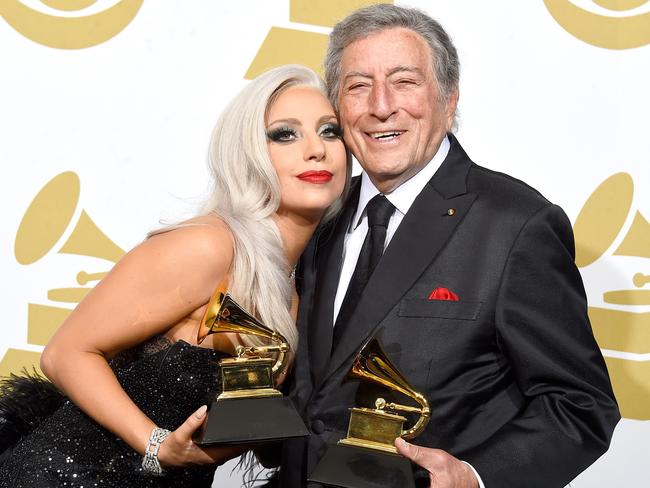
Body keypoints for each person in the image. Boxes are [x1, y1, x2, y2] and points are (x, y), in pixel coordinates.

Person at [273, 5, 620, 488]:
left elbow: (581, 405)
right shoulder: (319, 216)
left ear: (449, 98)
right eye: (358, 86)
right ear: (338, 105)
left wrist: (476, 476)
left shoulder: (516, 224)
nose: (380, 106)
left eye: (405, 81)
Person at [0, 64, 349, 487]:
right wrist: (156, 444)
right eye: (285, 134)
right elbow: (64, 354)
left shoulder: (297, 289)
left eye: (330, 131)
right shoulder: (209, 245)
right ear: (248, 152)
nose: (316, 149)